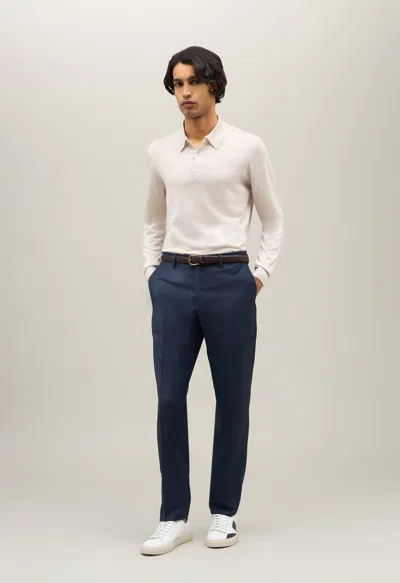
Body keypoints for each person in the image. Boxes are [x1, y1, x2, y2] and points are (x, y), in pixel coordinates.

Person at [140, 46, 284, 555]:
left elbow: (273, 218)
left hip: (230, 280)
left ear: (214, 86)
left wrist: (258, 275)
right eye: (177, 84)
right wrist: (153, 274)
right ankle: (173, 517)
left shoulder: (247, 147)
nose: (185, 92)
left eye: (194, 82)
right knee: (168, 398)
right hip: (174, 280)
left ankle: (224, 512)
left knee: (232, 398)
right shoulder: (160, 152)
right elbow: (153, 220)